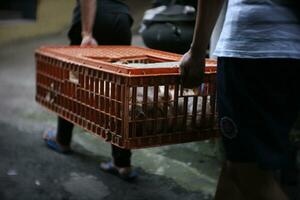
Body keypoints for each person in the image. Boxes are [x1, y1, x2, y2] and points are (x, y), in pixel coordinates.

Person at [179, 0, 300, 199]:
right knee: (236, 160)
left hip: (252, 50)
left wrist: (197, 50)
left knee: (249, 173)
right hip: (289, 52)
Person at [43, 0, 137, 181]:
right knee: (119, 90)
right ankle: (122, 163)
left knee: (72, 80)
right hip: (121, 18)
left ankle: (62, 139)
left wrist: (87, 32)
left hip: (95, 18)